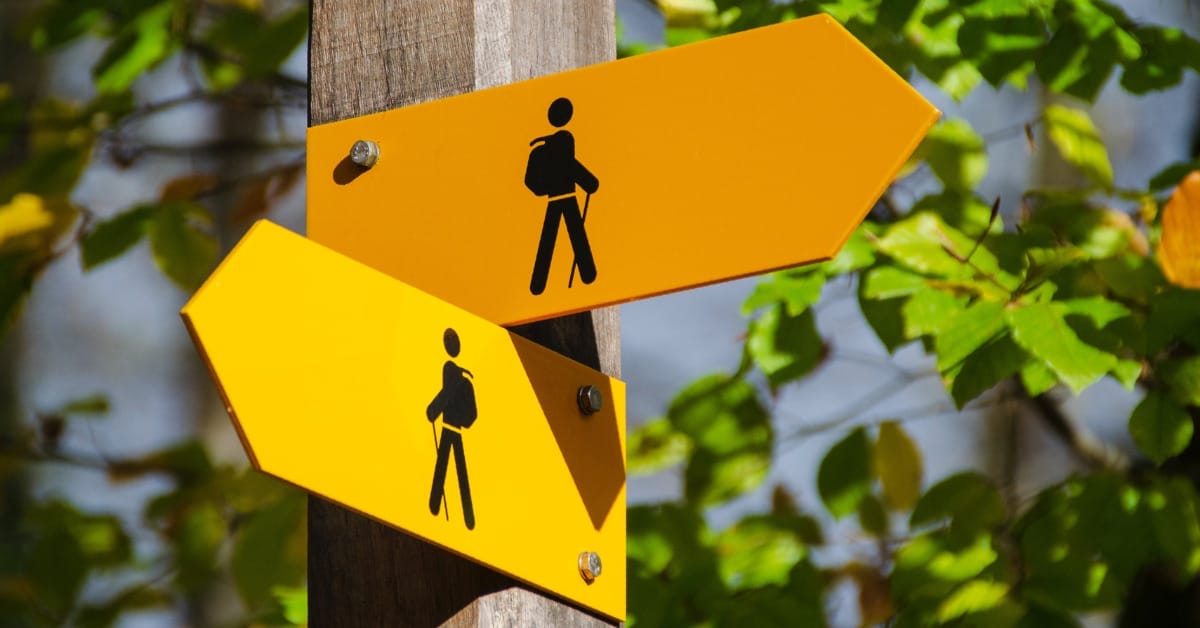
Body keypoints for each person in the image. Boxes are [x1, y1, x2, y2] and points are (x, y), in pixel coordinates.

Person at [524, 97, 600, 295]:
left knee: (552, 239)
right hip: (567, 197)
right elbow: (571, 166)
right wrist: (590, 183)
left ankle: (538, 285)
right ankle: (586, 275)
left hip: (555, 199)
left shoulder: (545, 146)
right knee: (575, 236)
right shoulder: (563, 142)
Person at [426, 328, 476, 530]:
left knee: (449, 469)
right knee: (449, 469)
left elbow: (447, 396)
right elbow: (472, 413)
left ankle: (443, 509)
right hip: (452, 429)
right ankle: (442, 508)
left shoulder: (457, 378)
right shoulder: (460, 377)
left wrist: (433, 411)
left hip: (451, 429)